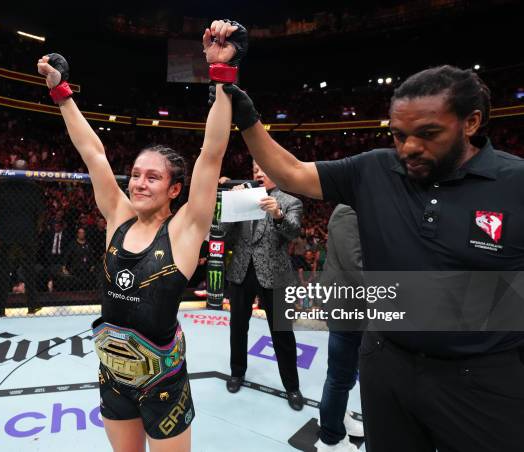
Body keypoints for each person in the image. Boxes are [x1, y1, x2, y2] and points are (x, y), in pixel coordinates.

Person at [207, 46, 524, 451]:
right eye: (398, 134)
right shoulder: (375, 168)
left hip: (483, 381)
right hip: (387, 366)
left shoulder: (515, 184)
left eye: (428, 134)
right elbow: (291, 172)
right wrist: (246, 114)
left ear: (471, 122)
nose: (409, 147)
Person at [36, 18, 240, 451]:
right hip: (111, 376)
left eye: (153, 177)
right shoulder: (117, 215)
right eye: (137, 175)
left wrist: (221, 74)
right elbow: (92, 152)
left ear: (175, 190)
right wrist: (61, 92)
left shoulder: (185, 229)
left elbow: (212, 152)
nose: (140, 183)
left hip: (163, 384)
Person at [218, 161, 304, 411]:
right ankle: (237, 373)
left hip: (275, 276)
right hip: (241, 272)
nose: (259, 173)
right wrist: (229, 206)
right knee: (237, 328)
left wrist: (278, 215)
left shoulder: (290, 202)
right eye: (255, 170)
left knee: (282, 333)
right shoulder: (243, 197)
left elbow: (293, 231)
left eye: (264, 169)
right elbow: (223, 233)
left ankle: (292, 387)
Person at [315, 205, 364, 452]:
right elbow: (355, 266)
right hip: (348, 304)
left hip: (358, 304)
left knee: (346, 373)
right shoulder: (349, 211)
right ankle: (330, 439)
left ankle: (338, 416)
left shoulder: (362, 207)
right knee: (340, 376)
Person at [0, 159, 43, 316]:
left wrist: (1, 226)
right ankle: (32, 305)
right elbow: (40, 214)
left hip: (7, 233)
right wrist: (35, 230)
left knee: (4, 272)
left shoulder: (1, 187)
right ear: (26, 170)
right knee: (29, 271)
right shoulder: (34, 188)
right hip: (27, 234)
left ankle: (0, 308)